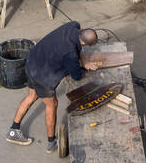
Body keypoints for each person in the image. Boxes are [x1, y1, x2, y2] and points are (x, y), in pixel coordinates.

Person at [7, 22, 100, 150]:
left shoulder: (73, 26)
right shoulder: (70, 54)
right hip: (42, 76)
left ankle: (13, 130)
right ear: (84, 43)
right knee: (52, 104)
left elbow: (77, 47)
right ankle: (52, 143)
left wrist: (84, 62)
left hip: (32, 62)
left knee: (32, 96)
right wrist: (81, 65)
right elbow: (76, 76)